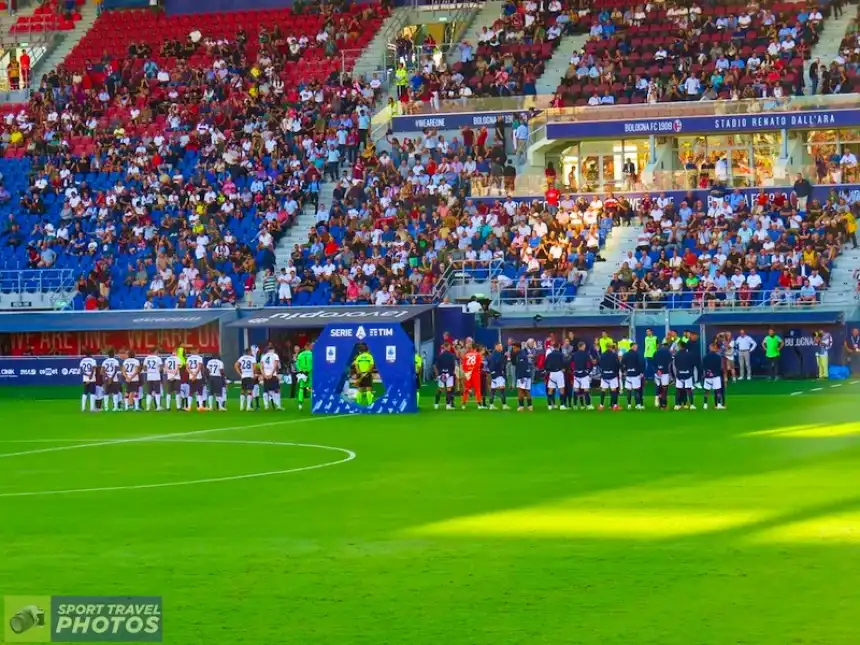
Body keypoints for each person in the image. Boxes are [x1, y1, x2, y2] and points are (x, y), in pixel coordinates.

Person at [702, 343, 726, 410]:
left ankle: (705, 404)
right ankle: (718, 404)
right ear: (715, 348)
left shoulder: (705, 357)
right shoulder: (718, 357)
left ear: (710, 348)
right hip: (716, 376)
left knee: (706, 390)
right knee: (718, 391)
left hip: (708, 376)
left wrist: (708, 372)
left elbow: (703, 366)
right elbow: (720, 367)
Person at [460, 339, 483, 409]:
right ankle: (479, 404)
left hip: (468, 373)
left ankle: (463, 404)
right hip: (475, 373)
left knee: (466, 388)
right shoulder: (478, 355)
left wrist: (467, 371)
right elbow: (478, 365)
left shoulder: (466, 355)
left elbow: (463, 365)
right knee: (477, 389)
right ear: (475, 348)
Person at [544, 342, 567, 410]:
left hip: (552, 373)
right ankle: (562, 405)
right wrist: (564, 368)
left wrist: (549, 370)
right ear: (559, 346)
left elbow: (546, 364)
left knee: (550, 390)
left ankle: (549, 405)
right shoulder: (561, 354)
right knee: (561, 389)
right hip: (559, 373)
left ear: (553, 347)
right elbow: (565, 363)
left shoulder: (549, 355)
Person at [673, 341, 696, 409]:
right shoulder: (690, 354)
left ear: (680, 346)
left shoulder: (676, 355)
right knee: (689, 389)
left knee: (678, 390)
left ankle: (677, 405)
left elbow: (676, 365)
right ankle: (691, 405)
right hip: (688, 374)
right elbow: (692, 364)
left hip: (679, 375)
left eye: (677, 345)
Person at [621, 342, 645, 410]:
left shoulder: (625, 355)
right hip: (636, 375)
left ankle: (629, 405)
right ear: (632, 346)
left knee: (629, 390)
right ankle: (638, 404)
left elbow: (622, 364)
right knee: (637, 390)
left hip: (628, 375)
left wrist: (624, 371)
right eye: (635, 346)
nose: (636, 348)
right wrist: (641, 372)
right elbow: (641, 363)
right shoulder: (637, 355)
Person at [571, 341, 593, 410]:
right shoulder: (586, 354)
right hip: (584, 374)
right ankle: (588, 405)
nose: (585, 347)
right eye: (584, 346)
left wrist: (573, 371)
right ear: (582, 346)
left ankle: (574, 405)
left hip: (576, 374)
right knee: (586, 390)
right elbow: (591, 364)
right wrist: (588, 372)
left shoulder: (574, 354)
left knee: (576, 390)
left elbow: (570, 363)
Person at [598, 342, 621, 411]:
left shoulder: (602, 355)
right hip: (613, 375)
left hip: (604, 375)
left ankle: (601, 405)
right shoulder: (614, 355)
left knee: (603, 390)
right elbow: (617, 365)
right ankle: (615, 406)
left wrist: (603, 371)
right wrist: (616, 372)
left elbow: (600, 364)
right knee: (614, 390)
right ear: (611, 347)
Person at [434, 342, 457, 410]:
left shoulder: (440, 355)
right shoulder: (452, 355)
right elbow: (453, 366)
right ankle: (448, 405)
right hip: (449, 374)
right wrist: (450, 372)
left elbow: (436, 366)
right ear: (448, 347)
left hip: (441, 374)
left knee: (440, 389)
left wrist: (438, 375)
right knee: (449, 389)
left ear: (444, 347)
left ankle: (436, 404)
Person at [487, 342, 509, 410]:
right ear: (496, 346)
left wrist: (492, 372)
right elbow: (500, 363)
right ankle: (504, 405)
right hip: (499, 374)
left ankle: (491, 405)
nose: (501, 347)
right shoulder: (499, 354)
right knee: (502, 390)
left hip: (493, 374)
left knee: (493, 390)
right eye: (500, 346)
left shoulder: (491, 355)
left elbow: (489, 364)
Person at [261, 344, 283, 410]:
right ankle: (278, 405)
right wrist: (271, 373)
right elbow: (275, 365)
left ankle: (266, 405)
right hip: (272, 375)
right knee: (277, 390)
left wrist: (264, 375)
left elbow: (261, 367)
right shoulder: (275, 355)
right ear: (272, 350)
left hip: (265, 375)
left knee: (265, 390)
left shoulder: (263, 356)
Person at [653, 342, 673, 409]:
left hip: (657, 373)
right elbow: (670, 363)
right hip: (665, 372)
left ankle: (658, 399)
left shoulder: (655, 353)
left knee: (659, 386)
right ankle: (663, 405)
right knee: (665, 388)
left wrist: (657, 370)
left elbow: (653, 364)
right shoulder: (668, 353)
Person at [514, 344, 534, 412]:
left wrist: (521, 376)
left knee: (520, 390)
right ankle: (530, 406)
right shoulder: (522, 354)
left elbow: (522, 366)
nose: (514, 350)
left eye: (514, 348)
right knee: (527, 391)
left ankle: (521, 406)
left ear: (518, 348)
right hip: (527, 375)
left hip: (522, 376)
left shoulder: (521, 355)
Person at [295, 343, 313, 410]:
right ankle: (313, 404)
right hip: (310, 373)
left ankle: (300, 405)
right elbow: (314, 363)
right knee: (311, 388)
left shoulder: (300, 354)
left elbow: (297, 364)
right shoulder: (312, 354)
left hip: (303, 373)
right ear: (309, 347)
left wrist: (300, 370)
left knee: (301, 389)